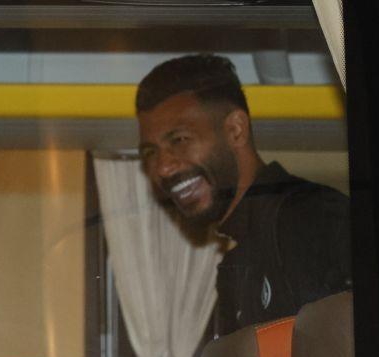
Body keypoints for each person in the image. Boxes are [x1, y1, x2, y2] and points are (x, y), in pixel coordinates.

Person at [136, 54, 352, 336]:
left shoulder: (310, 216)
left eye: (180, 140)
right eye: (150, 153)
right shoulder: (236, 265)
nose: (163, 167)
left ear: (235, 130)